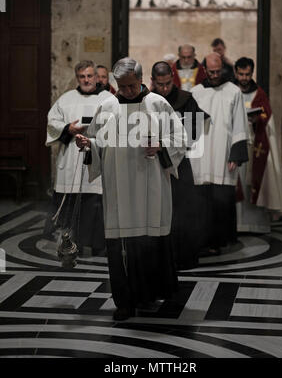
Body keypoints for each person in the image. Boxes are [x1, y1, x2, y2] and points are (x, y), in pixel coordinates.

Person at [76, 57, 186, 320]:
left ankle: (149, 295)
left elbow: (180, 138)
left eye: (132, 86)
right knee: (121, 247)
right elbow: (96, 141)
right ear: (115, 83)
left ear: (141, 80)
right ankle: (124, 302)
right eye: (122, 87)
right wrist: (88, 144)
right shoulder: (107, 106)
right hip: (119, 192)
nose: (127, 91)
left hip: (152, 188)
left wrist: (161, 146)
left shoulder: (157, 104)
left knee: (150, 243)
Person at [43, 60, 111, 256]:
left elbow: (116, 125)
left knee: (95, 205)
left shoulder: (108, 99)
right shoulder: (66, 99)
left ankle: (99, 246)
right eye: (82, 76)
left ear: (97, 77)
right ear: (77, 78)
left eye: (90, 76)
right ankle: (74, 245)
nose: (86, 80)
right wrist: (68, 128)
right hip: (71, 158)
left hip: (96, 157)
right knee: (73, 206)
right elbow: (52, 121)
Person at [151, 61, 209, 269]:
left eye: (168, 83)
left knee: (183, 209)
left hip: (179, 163)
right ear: (153, 81)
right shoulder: (147, 102)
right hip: (152, 165)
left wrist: (169, 144)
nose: (165, 89)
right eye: (160, 84)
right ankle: (157, 259)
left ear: (172, 79)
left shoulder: (186, 99)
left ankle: (184, 257)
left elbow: (193, 132)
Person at [191, 53, 249, 254]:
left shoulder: (233, 91)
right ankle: (203, 241)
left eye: (218, 71)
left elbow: (240, 123)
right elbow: (190, 126)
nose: (215, 75)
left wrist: (236, 154)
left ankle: (222, 240)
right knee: (202, 200)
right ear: (204, 70)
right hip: (202, 155)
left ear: (223, 68)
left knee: (222, 200)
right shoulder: (196, 92)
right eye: (211, 71)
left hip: (224, 155)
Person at [234, 57, 282, 233]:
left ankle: (255, 224)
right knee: (239, 183)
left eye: (248, 74)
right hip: (235, 144)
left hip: (254, 145)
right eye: (241, 74)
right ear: (236, 72)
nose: (244, 78)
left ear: (252, 73)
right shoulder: (230, 91)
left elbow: (268, 120)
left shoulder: (259, 94)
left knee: (252, 182)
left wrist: (257, 119)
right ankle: (236, 224)